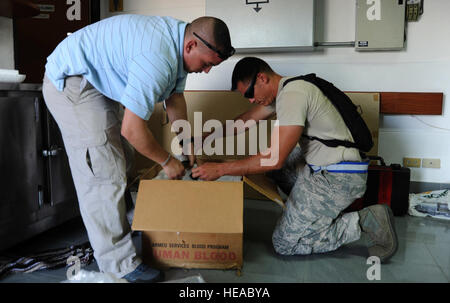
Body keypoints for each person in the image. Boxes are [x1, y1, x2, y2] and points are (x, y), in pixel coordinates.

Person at [42, 14, 234, 282]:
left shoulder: (179, 46)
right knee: (103, 170)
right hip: (73, 81)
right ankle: (119, 263)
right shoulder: (157, 57)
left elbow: (175, 99)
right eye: (205, 65)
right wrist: (168, 161)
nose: (206, 71)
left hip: (98, 83)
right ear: (190, 46)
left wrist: (189, 144)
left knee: (124, 156)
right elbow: (132, 130)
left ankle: (125, 221)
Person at [192, 57, 398, 262]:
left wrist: (220, 169)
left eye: (249, 93)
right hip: (323, 167)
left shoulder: (293, 95)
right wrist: (206, 138)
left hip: (339, 178)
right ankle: (311, 213)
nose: (251, 100)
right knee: (276, 165)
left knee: (284, 243)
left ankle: (365, 221)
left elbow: (273, 159)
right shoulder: (288, 90)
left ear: (262, 78)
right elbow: (246, 120)